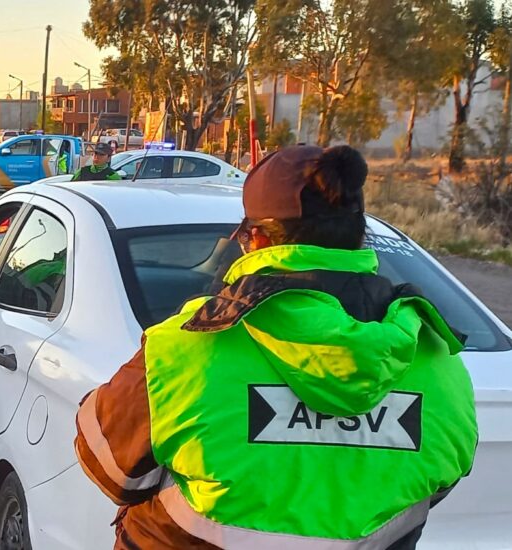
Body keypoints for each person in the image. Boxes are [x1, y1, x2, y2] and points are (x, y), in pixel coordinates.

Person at [74, 145, 477, 548]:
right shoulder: (438, 359)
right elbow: (438, 482)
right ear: (358, 236)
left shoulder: (189, 342)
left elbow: (109, 467)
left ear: (258, 239)